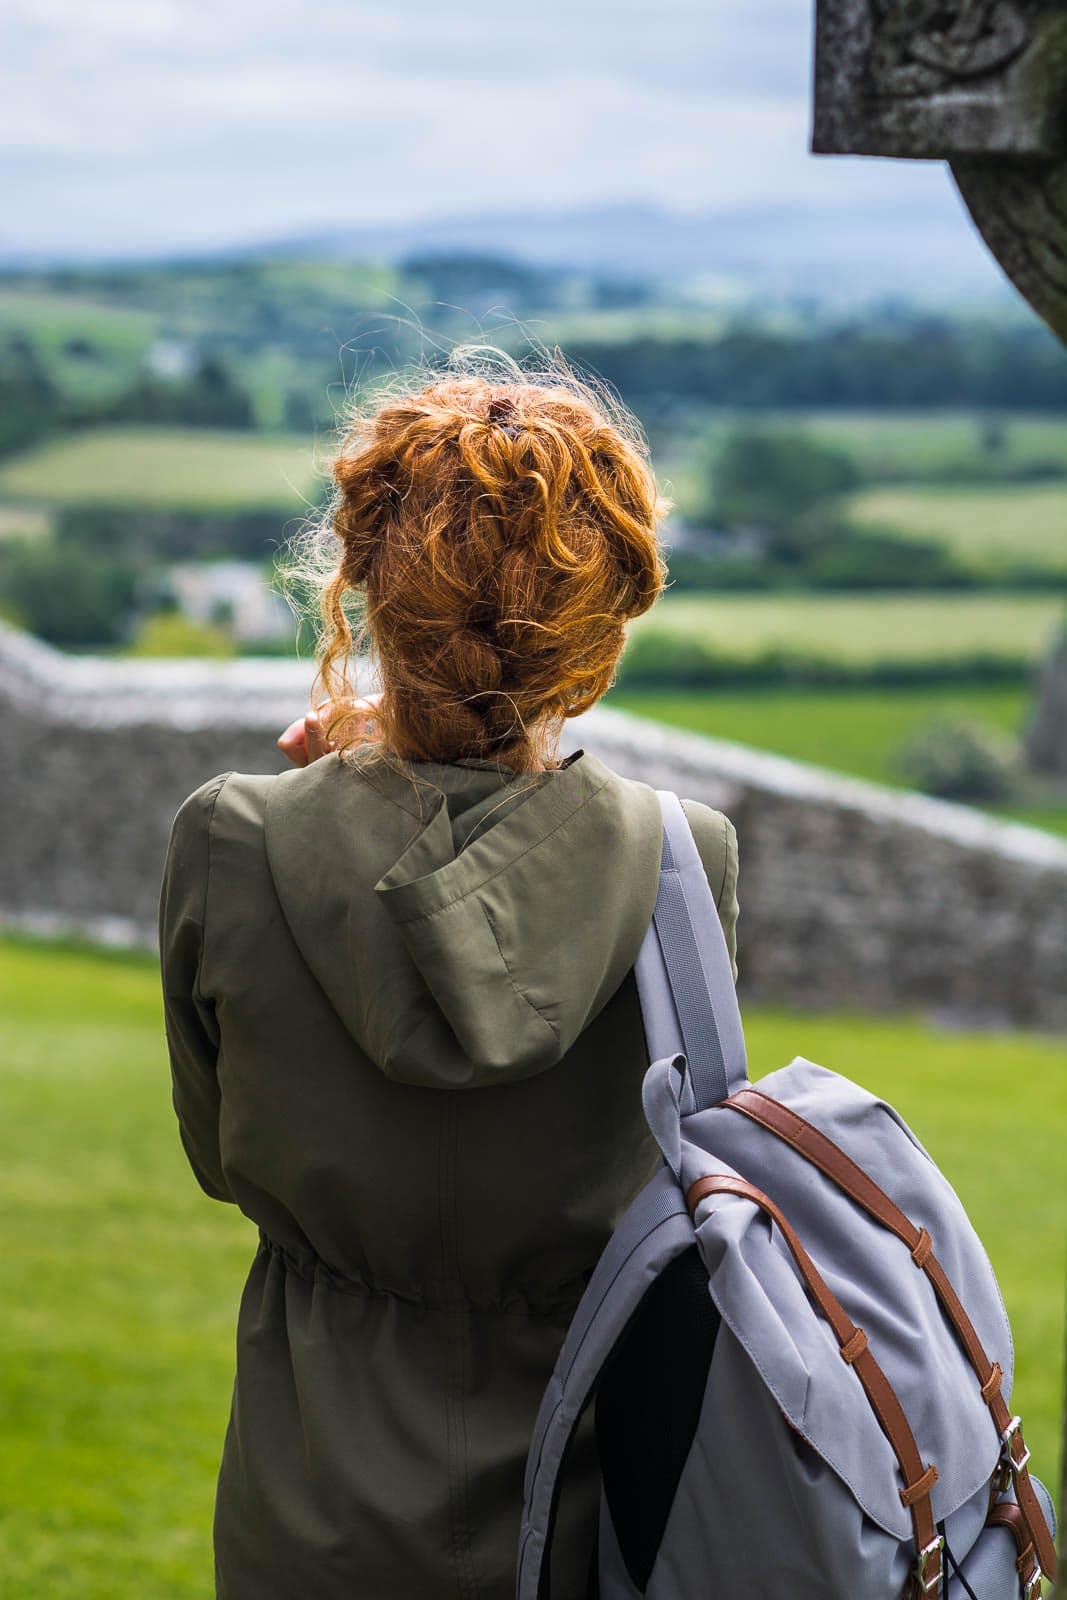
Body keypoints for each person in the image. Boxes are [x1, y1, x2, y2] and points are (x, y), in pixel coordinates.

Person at [158, 349, 740, 1600]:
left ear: (367, 582)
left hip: (307, 1510)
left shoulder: (230, 839)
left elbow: (220, 1155)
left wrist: (345, 797)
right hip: (598, 1518)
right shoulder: (683, 862)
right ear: (601, 618)